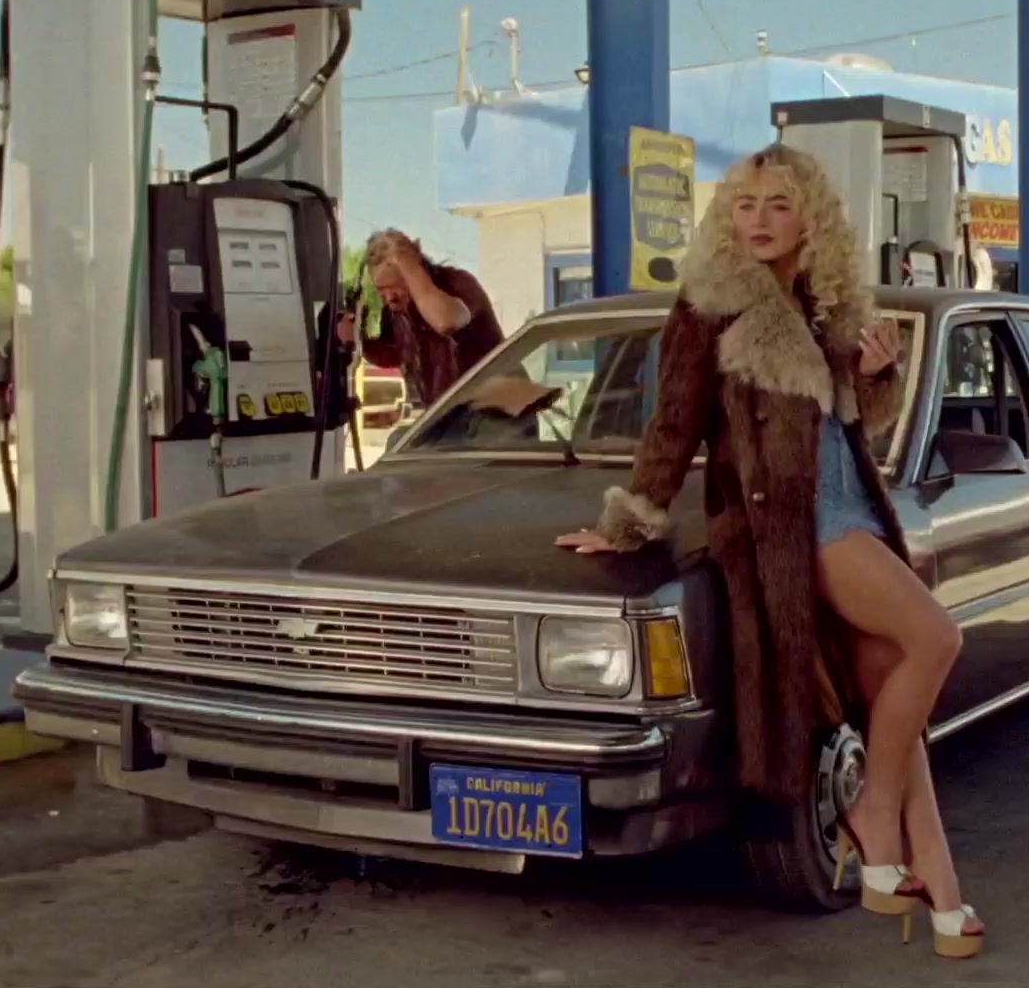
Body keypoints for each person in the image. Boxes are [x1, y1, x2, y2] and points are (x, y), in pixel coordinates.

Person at [553, 145, 983, 959]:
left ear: (809, 216)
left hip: (853, 506)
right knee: (935, 638)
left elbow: (857, 426)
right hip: (798, 527)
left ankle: (932, 885)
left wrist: (877, 375)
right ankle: (871, 813)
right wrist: (629, 521)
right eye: (746, 204)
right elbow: (674, 423)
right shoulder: (707, 306)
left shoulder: (825, 303)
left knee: (895, 690)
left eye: (779, 204)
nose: (758, 220)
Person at [334, 228, 505, 414]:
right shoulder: (396, 311)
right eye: (382, 290)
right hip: (447, 418)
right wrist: (359, 338)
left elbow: (445, 321)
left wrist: (407, 263)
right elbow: (392, 356)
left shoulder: (457, 284)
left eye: (397, 286)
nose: (390, 297)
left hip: (497, 413)